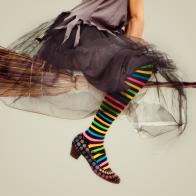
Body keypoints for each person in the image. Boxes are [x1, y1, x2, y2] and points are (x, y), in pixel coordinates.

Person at [0, 0, 196, 184]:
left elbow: (133, 20)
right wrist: (128, 62)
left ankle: (91, 139)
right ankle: (92, 139)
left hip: (91, 36)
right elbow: (136, 18)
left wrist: (125, 67)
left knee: (136, 69)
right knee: (139, 67)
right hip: (82, 33)